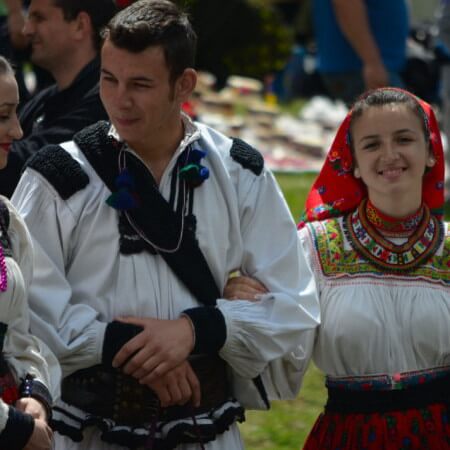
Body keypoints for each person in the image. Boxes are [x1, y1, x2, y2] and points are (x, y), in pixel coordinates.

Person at [11, 1, 320, 449]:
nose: (119, 100)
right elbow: (26, 311)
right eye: (108, 79)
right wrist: (129, 345)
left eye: (140, 84)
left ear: (184, 84)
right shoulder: (57, 176)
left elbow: (295, 310)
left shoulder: (239, 172)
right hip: (90, 431)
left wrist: (198, 329)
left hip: (205, 431)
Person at [225, 87, 450, 448]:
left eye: (404, 139)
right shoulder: (312, 247)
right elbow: (276, 345)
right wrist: (243, 299)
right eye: (372, 144)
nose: (389, 155)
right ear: (354, 163)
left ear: (429, 152)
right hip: (351, 435)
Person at [0, 0, 119, 198]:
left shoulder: (106, 102)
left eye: (39, 18)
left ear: (80, 25)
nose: (27, 30)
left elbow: (33, 168)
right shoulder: (45, 98)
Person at [0, 55, 59, 450]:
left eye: (16, 112)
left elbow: (20, 335)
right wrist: (16, 429)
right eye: (3, 115)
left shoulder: (5, 218)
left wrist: (34, 393)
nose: (18, 130)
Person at [312, 0, 409, 105]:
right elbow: (346, 3)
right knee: (394, 119)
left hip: (374, 67)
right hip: (358, 69)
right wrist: (372, 63)